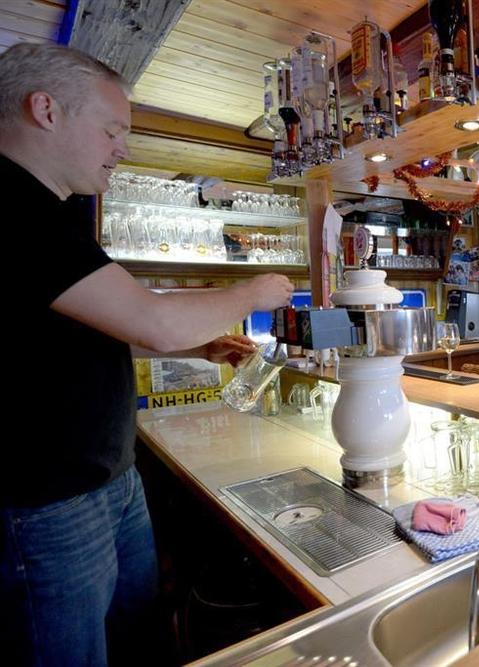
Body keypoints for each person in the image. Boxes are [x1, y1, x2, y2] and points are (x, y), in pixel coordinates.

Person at [0, 44, 295, 665]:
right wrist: (255, 291)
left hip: (107, 477)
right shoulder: (13, 209)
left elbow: (95, 326)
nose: (123, 149)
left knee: (139, 638)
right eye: (112, 130)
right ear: (45, 111)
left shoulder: (51, 212)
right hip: (45, 504)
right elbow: (152, 321)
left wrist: (201, 342)